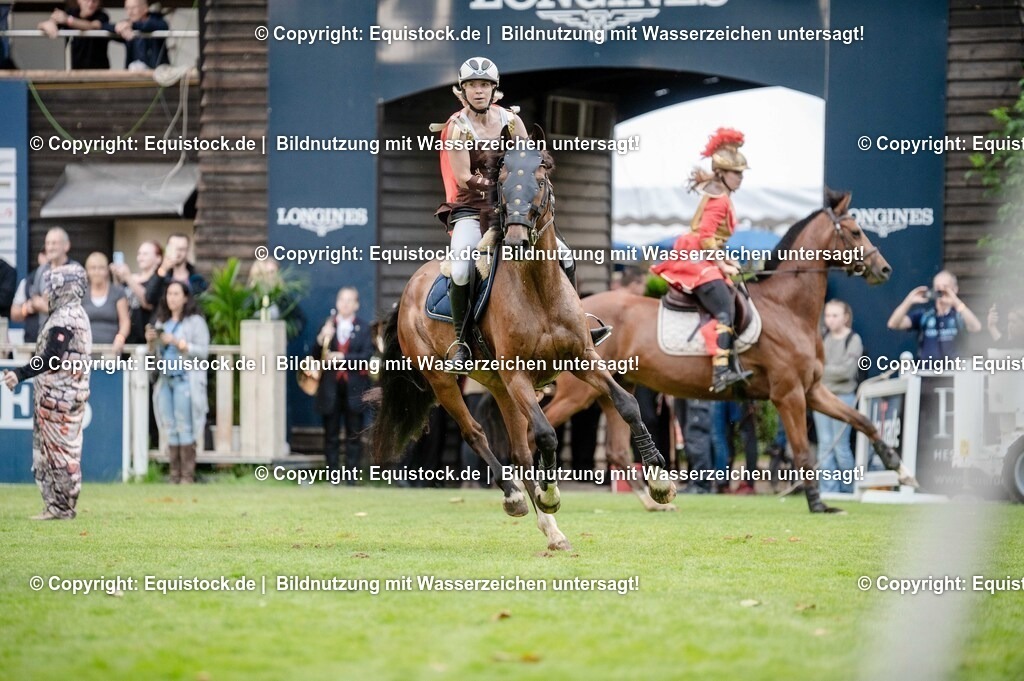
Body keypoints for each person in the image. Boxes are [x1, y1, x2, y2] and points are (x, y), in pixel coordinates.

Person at [433, 56, 608, 373]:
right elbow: (461, 177)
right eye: (472, 85)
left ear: (493, 89)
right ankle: (461, 343)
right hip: (470, 210)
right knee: (460, 269)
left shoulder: (512, 122)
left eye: (484, 85)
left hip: (511, 210)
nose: (478, 91)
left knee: (565, 255)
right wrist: (503, 184)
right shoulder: (456, 127)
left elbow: (528, 162)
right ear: (463, 90)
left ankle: (577, 324)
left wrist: (523, 187)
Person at [652, 128, 753, 393]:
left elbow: (712, 240)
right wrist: (722, 264)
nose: (741, 178)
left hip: (700, 255)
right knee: (725, 310)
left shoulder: (721, 194)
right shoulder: (720, 200)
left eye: (741, 173)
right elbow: (707, 238)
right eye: (737, 173)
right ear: (722, 173)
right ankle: (720, 373)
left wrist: (726, 259)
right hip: (698, 259)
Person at [3, 263, 92, 519]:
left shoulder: (65, 318)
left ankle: (61, 507)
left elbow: (52, 356)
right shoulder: (74, 313)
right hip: (63, 394)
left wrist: (20, 374)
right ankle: (56, 505)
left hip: (59, 398)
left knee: (59, 453)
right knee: (54, 451)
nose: (47, 292)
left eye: (52, 287)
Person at [146, 281, 209, 484]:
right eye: (169, 294)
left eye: (176, 293)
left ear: (185, 297)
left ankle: (187, 476)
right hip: (165, 381)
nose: (172, 298)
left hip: (185, 380)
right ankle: (174, 475)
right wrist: (152, 342)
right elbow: (154, 357)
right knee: (170, 425)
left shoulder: (195, 322)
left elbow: (203, 352)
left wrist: (179, 343)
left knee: (185, 425)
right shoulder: (161, 321)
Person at [314, 287, 373, 479]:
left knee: (353, 435)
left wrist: (342, 358)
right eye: (342, 300)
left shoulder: (364, 328)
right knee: (330, 435)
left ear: (356, 305)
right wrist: (322, 338)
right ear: (337, 303)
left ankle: (351, 477)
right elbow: (315, 356)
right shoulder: (327, 325)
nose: (345, 304)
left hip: (354, 388)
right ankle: (332, 475)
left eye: (350, 300)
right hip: (330, 388)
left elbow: (366, 357)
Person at [812, 299, 862, 493]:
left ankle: (848, 490)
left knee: (841, 447)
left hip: (844, 398)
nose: (830, 320)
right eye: (827, 315)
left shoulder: (853, 340)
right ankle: (828, 490)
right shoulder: (823, 338)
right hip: (822, 398)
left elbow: (847, 371)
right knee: (824, 446)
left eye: (835, 315)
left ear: (845, 318)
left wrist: (821, 370)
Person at [886, 269, 982, 360]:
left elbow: (976, 327)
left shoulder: (959, 315)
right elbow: (893, 324)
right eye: (937, 287)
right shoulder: (925, 316)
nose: (941, 291)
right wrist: (909, 300)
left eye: (945, 287)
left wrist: (955, 302)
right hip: (927, 374)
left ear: (955, 289)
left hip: (954, 374)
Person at [10, 228, 76, 343]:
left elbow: (78, 311)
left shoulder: (75, 272)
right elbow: (16, 312)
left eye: (54, 243)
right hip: (35, 343)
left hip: (66, 346)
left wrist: (46, 307)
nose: (50, 248)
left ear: (66, 246)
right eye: (48, 243)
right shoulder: (37, 274)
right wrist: (28, 307)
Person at [110, 239, 162, 344]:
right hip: (127, 335)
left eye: (145, 254)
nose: (141, 257)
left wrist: (128, 277)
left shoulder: (158, 280)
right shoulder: (132, 278)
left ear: (158, 258)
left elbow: (148, 302)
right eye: (139, 254)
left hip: (145, 335)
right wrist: (117, 277)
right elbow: (119, 298)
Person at [37, 0, 111, 70]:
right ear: (79, 0)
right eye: (87, 0)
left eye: (94, 1)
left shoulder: (102, 15)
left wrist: (68, 20)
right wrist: (49, 23)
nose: (90, 4)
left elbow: (92, 26)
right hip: (76, 71)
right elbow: (42, 25)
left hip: (100, 71)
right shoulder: (71, 13)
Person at [144, 233, 207, 311]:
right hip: (164, 321)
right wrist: (162, 269)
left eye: (181, 249)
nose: (177, 253)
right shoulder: (160, 273)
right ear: (167, 249)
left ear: (187, 251)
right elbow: (149, 298)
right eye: (174, 249)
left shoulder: (196, 276)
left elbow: (203, 304)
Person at [83, 251, 129, 355]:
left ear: (107, 270)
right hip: (86, 351)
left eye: (101, 268)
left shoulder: (117, 292)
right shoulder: (81, 294)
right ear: (87, 271)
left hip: (111, 350)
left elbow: (125, 321)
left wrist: (120, 338)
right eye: (93, 268)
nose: (97, 272)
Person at [105, 0, 169, 69]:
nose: (130, 12)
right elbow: (105, 27)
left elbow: (155, 26)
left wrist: (130, 25)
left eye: (133, 8)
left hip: (156, 73)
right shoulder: (127, 26)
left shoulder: (158, 22)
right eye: (127, 8)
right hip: (133, 75)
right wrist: (117, 27)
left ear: (145, 8)